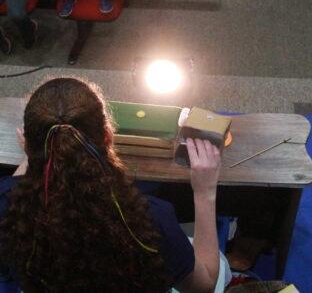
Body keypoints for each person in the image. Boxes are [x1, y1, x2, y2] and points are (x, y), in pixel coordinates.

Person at [0, 77, 223, 292]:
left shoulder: (7, 206)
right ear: (108, 136)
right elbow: (204, 286)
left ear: (28, 145)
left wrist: (38, 155)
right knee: (221, 265)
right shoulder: (149, 219)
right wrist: (205, 193)